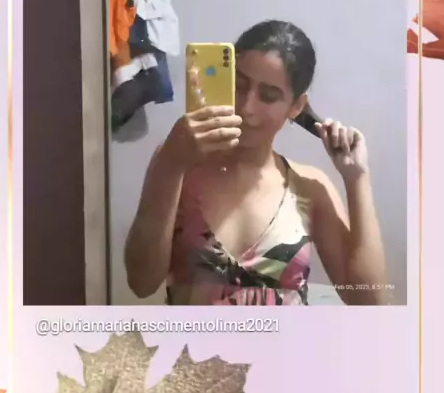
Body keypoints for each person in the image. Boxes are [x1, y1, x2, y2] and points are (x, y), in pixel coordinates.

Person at [124, 20, 388, 306]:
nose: (247, 107)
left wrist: (357, 178)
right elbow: (141, 282)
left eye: (268, 96)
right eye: (239, 85)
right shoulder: (177, 163)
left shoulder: (309, 187)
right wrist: (170, 163)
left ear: (296, 106)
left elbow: (370, 302)